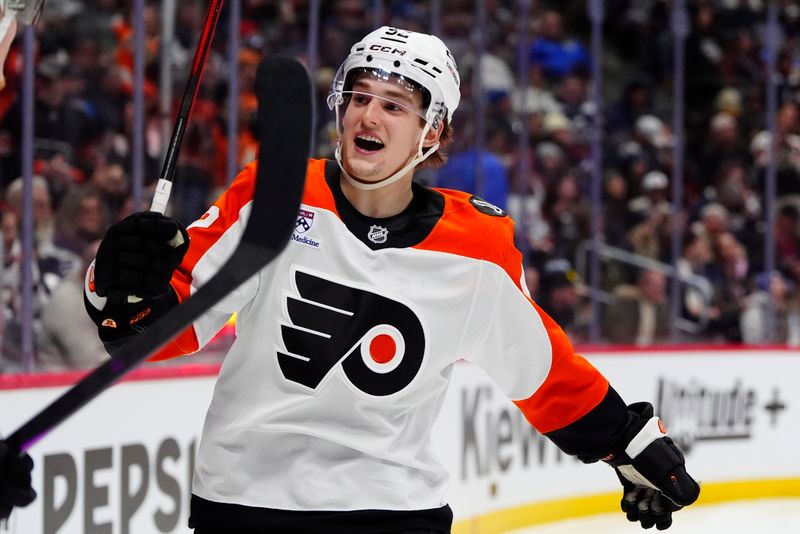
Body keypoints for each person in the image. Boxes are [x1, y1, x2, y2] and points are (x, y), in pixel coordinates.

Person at [1, 27, 699, 532]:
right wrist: (119, 290)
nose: (368, 114)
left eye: (395, 104)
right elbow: (163, 326)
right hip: (246, 503)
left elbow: (543, 370)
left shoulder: (476, 246)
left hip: (392, 511)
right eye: (359, 96)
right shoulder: (278, 191)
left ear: (433, 133)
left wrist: (626, 441)